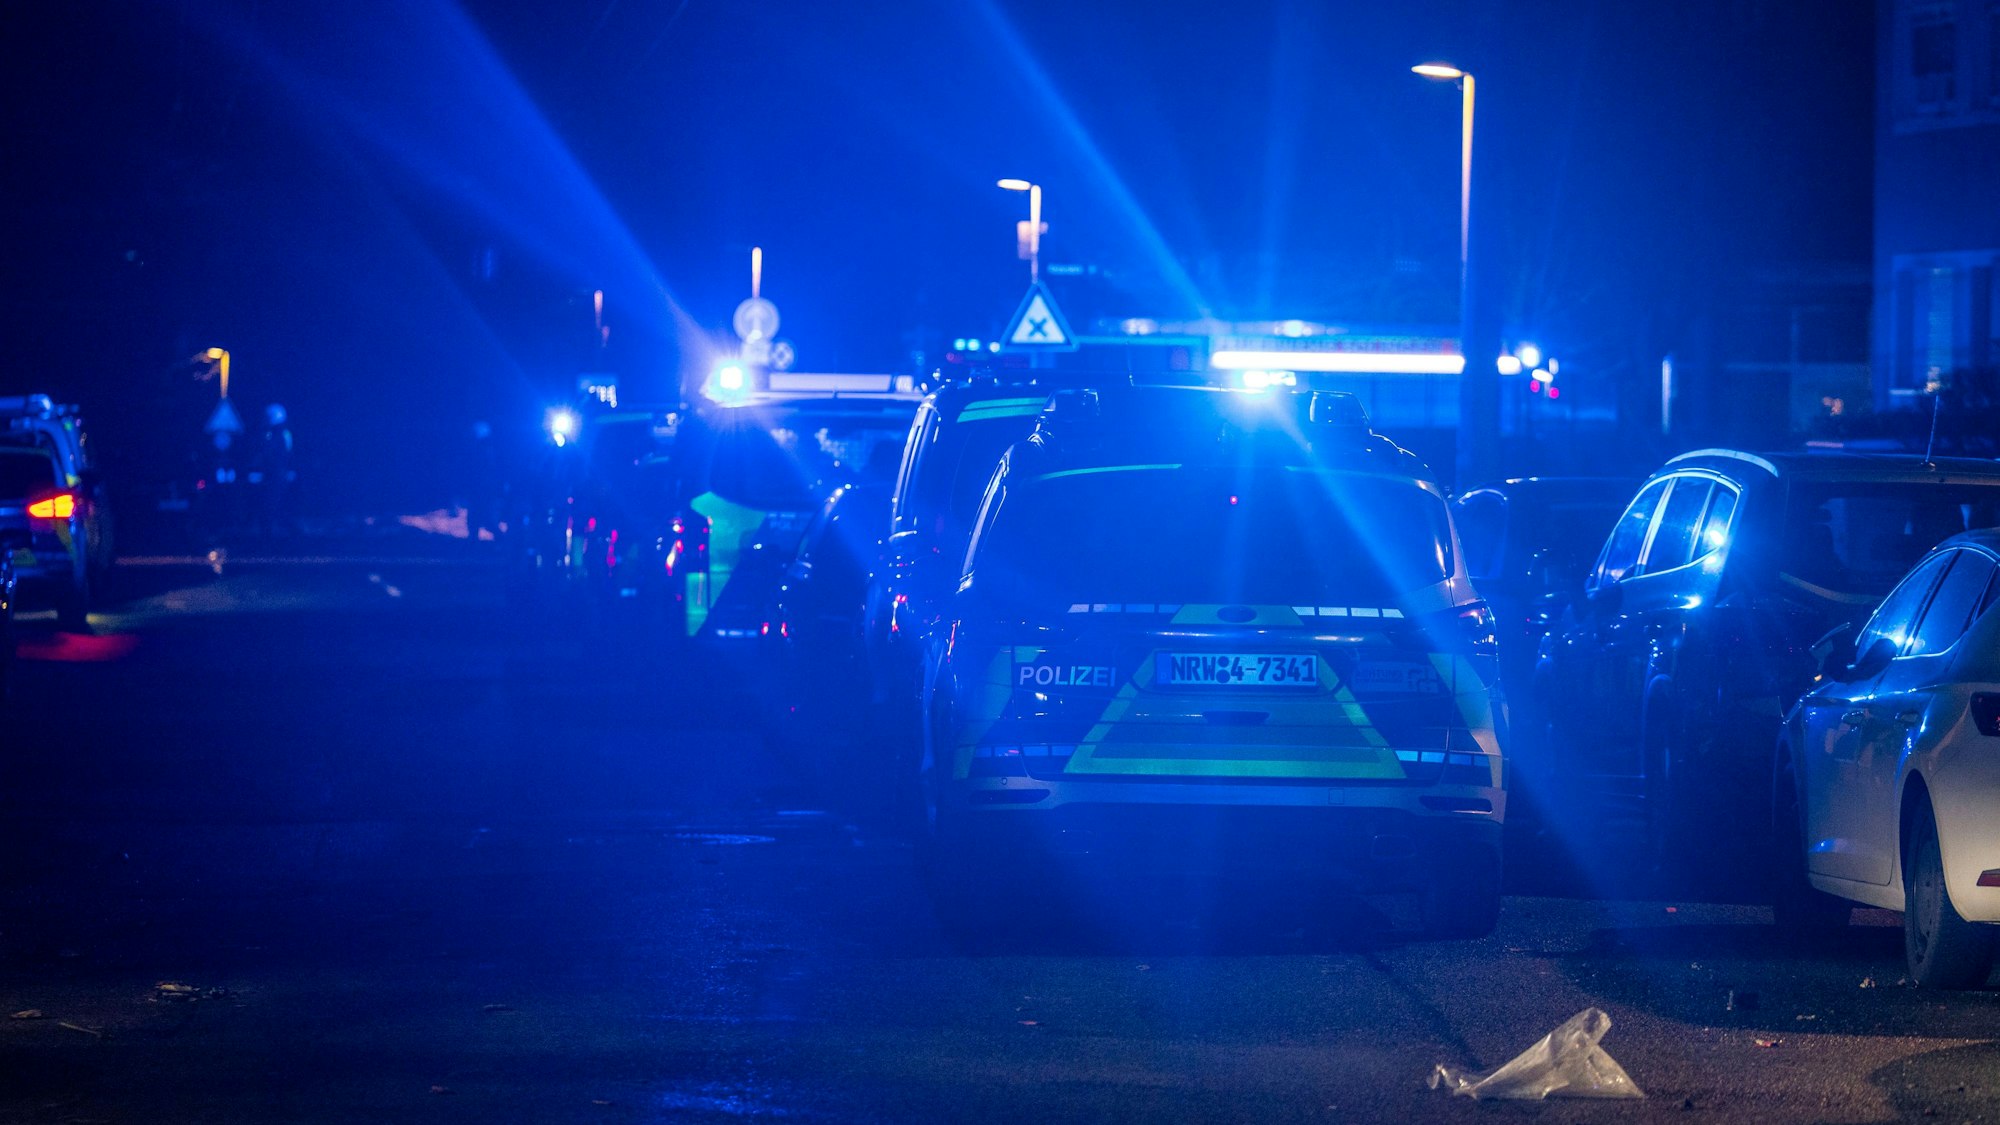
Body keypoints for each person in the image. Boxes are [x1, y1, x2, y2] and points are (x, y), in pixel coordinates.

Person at [251, 403, 295, 539]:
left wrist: (287, 470)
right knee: (266, 502)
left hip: (277, 475)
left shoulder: (282, 435)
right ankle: (268, 530)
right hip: (269, 474)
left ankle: (274, 529)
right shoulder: (267, 434)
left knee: (274, 501)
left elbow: (287, 455)